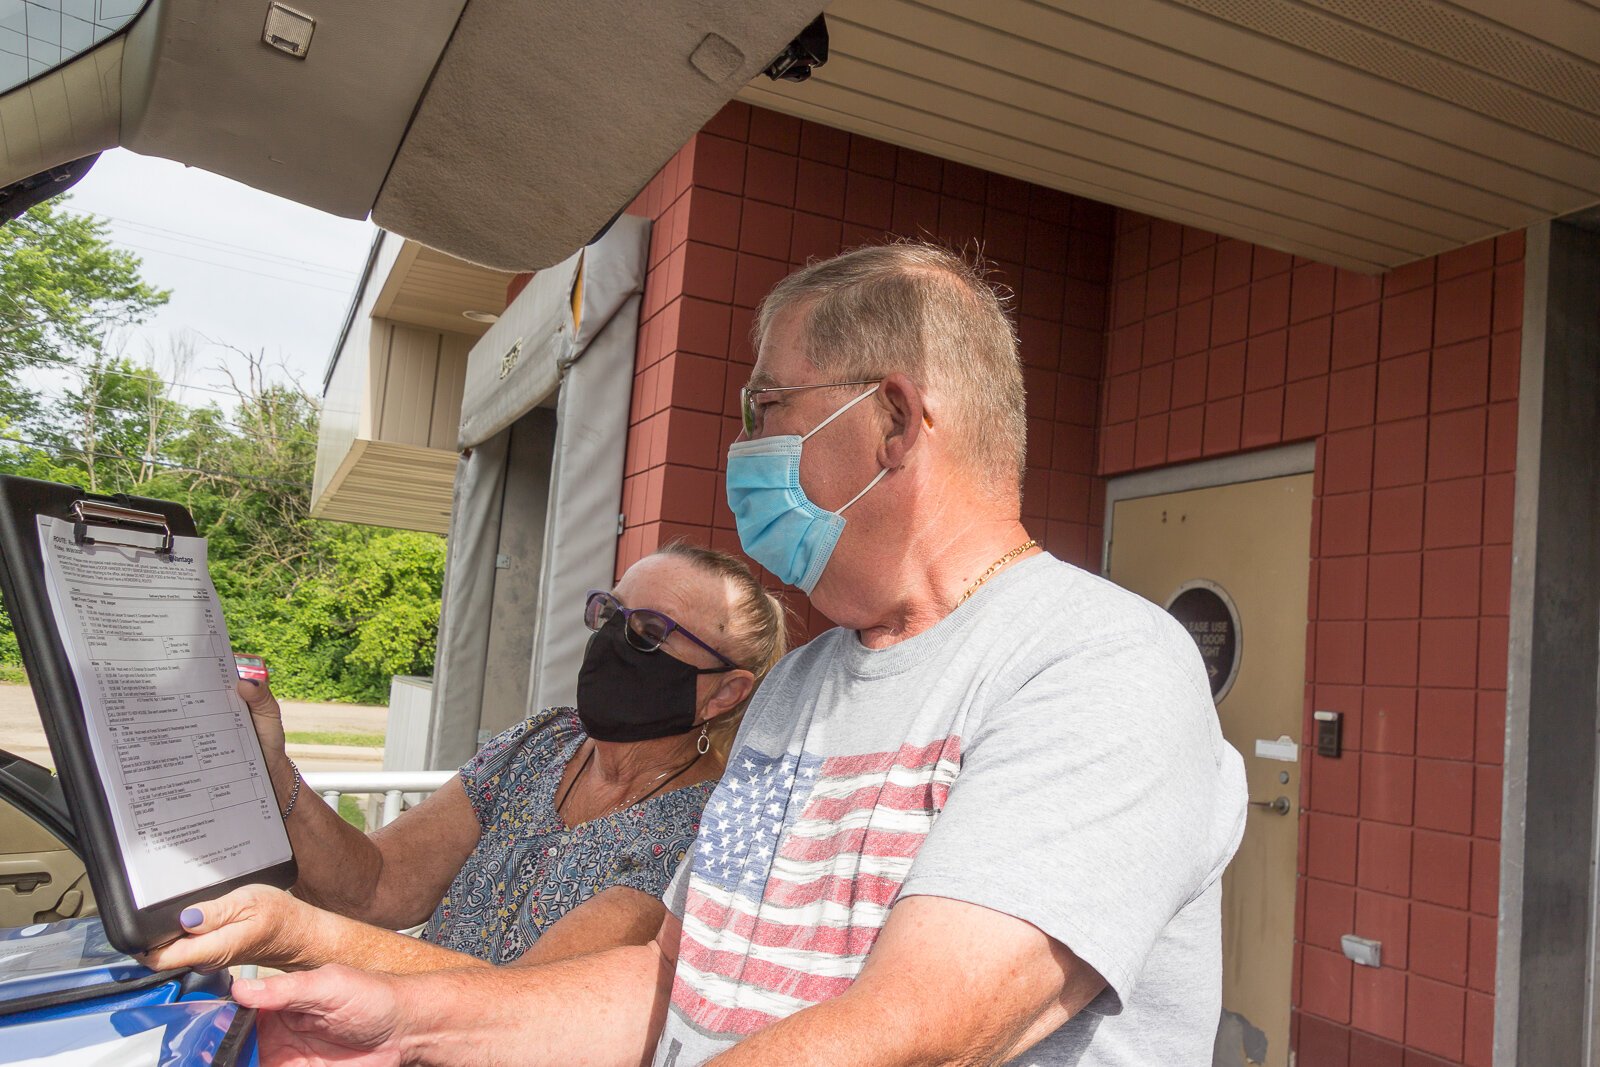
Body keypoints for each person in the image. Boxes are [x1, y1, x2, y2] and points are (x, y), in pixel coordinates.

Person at [231, 241, 1247, 1066]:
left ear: (892, 419)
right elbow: (676, 981)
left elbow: (920, 1027)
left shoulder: (1099, 662)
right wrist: (407, 1024)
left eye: (769, 408)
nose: (744, 449)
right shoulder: (801, 684)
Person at [143, 542, 786, 976]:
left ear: (725, 692)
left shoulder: (711, 827)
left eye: (648, 633)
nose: (613, 640)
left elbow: (527, 1002)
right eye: (609, 612)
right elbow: (376, 885)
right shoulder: (541, 743)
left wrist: (298, 935)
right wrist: (274, 768)